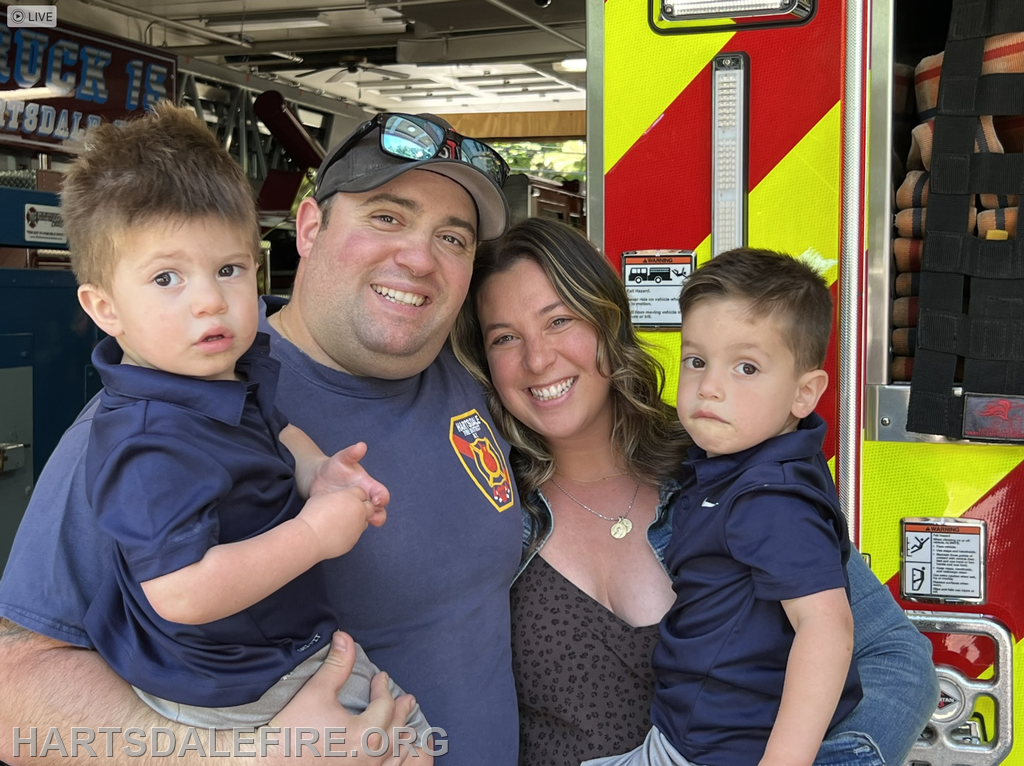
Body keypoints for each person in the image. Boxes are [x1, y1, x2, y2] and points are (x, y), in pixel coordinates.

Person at [0, 111, 520, 766]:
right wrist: (247, 760)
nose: (419, 258)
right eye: (388, 217)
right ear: (308, 227)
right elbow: (15, 687)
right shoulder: (162, 412)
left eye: (453, 237)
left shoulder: (472, 373)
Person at [450, 218, 939, 766]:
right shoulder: (483, 507)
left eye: (560, 321)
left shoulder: (726, 472)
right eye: (505, 338)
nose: (537, 360)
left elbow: (893, 657)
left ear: (609, 324)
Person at [60, 103, 430, 746]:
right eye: (167, 278)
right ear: (104, 307)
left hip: (278, 649)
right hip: (228, 685)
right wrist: (313, 534)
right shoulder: (147, 440)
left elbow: (275, 427)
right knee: (405, 740)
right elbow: (180, 591)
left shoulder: (227, 369)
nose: (209, 299)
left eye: (228, 269)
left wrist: (317, 469)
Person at [584, 248, 862, 766]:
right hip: (688, 733)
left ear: (804, 394)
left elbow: (826, 628)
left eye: (747, 367)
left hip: (722, 750)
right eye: (697, 361)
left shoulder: (770, 497)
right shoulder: (737, 464)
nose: (709, 387)